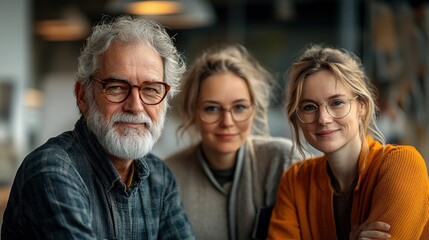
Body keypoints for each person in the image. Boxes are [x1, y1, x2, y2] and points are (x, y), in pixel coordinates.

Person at [1, 16, 195, 239]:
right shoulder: (52, 170)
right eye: (116, 87)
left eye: (151, 89)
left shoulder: (159, 177)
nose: (135, 106)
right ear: (83, 96)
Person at [268, 44, 429, 239]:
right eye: (309, 107)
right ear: (297, 116)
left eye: (337, 103)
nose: (323, 118)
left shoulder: (402, 164)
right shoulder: (295, 180)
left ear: (361, 105)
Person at [164, 44, 300, 240]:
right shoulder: (168, 175)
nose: (227, 122)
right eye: (212, 109)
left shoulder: (283, 159)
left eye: (239, 107)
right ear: (193, 111)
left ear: (254, 110)